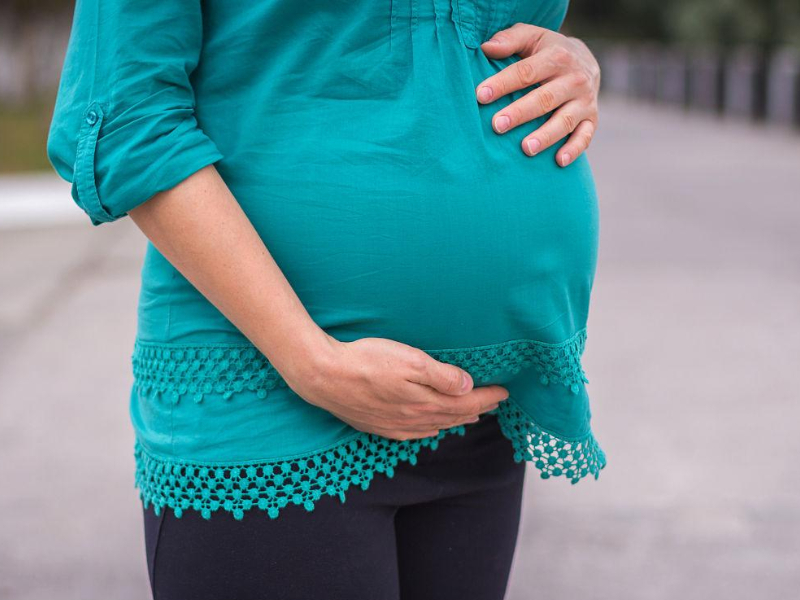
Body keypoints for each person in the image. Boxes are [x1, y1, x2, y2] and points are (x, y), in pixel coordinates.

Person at [47, 0, 606, 598]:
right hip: (269, 402)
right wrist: (310, 359)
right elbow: (128, 115)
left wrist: (575, 57)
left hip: (478, 414)